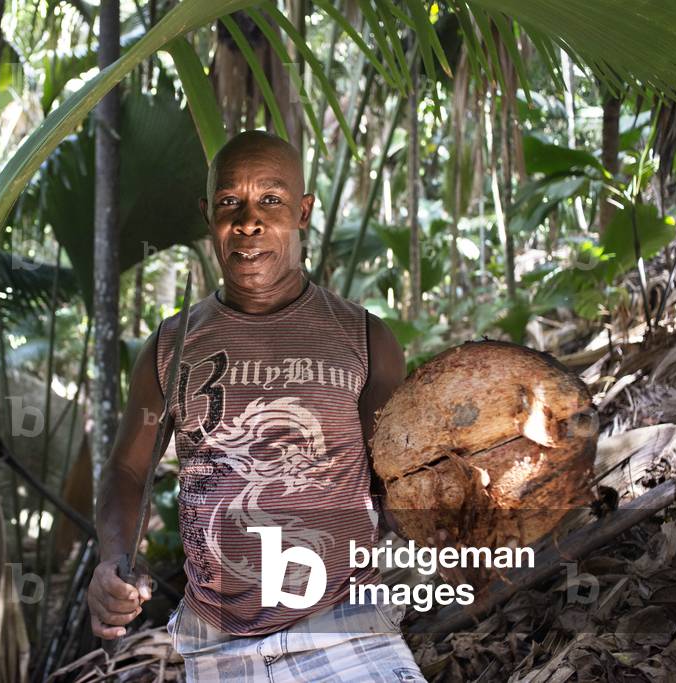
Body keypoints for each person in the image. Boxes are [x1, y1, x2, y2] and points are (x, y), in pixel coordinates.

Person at [88, 130, 427, 682]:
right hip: (217, 640)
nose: (249, 220)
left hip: (344, 624)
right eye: (230, 203)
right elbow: (128, 469)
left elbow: (399, 481)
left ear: (303, 211)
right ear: (208, 215)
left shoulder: (366, 339)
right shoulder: (171, 349)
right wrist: (114, 557)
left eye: (271, 199)